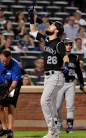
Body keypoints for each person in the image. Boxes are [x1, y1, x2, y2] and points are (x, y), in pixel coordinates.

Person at [28, 6, 69, 138]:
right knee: (50, 103)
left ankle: (52, 131)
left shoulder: (59, 43)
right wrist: (31, 18)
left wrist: (67, 65)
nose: (49, 26)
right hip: (48, 77)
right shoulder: (46, 40)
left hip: (56, 75)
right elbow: (33, 31)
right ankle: (55, 132)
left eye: (51, 25)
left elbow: (65, 56)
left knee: (44, 101)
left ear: (56, 30)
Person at [56, 38, 84, 133]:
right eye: (67, 44)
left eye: (70, 44)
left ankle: (70, 127)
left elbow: (79, 71)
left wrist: (82, 83)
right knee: (57, 106)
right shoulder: (58, 56)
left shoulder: (75, 57)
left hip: (71, 83)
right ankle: (59, 124)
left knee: (70, 106)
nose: (69, 46)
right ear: (63, 46)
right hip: (60, 83)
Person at [0, 49, 22, 138]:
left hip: (13, 86)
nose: (4, 63)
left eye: (6, 61)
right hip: (1, 85)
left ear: (10, 58)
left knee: (10, 105)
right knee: (0, 106)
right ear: (0, 57)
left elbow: (14, 83)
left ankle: (10, 130)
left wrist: (8, 93)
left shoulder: (15, 65)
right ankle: (4, 129)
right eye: (3, 61)